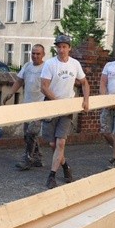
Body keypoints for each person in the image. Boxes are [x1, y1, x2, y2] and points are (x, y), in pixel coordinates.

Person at [40, 34, 89, 189]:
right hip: (51, 106)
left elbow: (84, 82)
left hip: (68, 107)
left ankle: (51, 176)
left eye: (64, 47)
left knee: (61, 142)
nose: (61, 50)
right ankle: (65, 165)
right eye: (59, 47)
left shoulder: (75, 64)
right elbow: (44, 87)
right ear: (56, 48)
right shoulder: (50, 64)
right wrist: (57, 103)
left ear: (69, 48)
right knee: (53, 144)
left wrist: (86, 99)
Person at [2, 44, 46, 170]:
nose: (35, 56)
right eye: (33, 53)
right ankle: (37, 157)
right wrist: (11, 93)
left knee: (31, 133)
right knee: (27, 134)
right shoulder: (27, 66)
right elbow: (19, 81)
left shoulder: (46, 67)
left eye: (38, 54)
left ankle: (27, 159)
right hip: (27, 105)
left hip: (40, 106)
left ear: (43, 55)